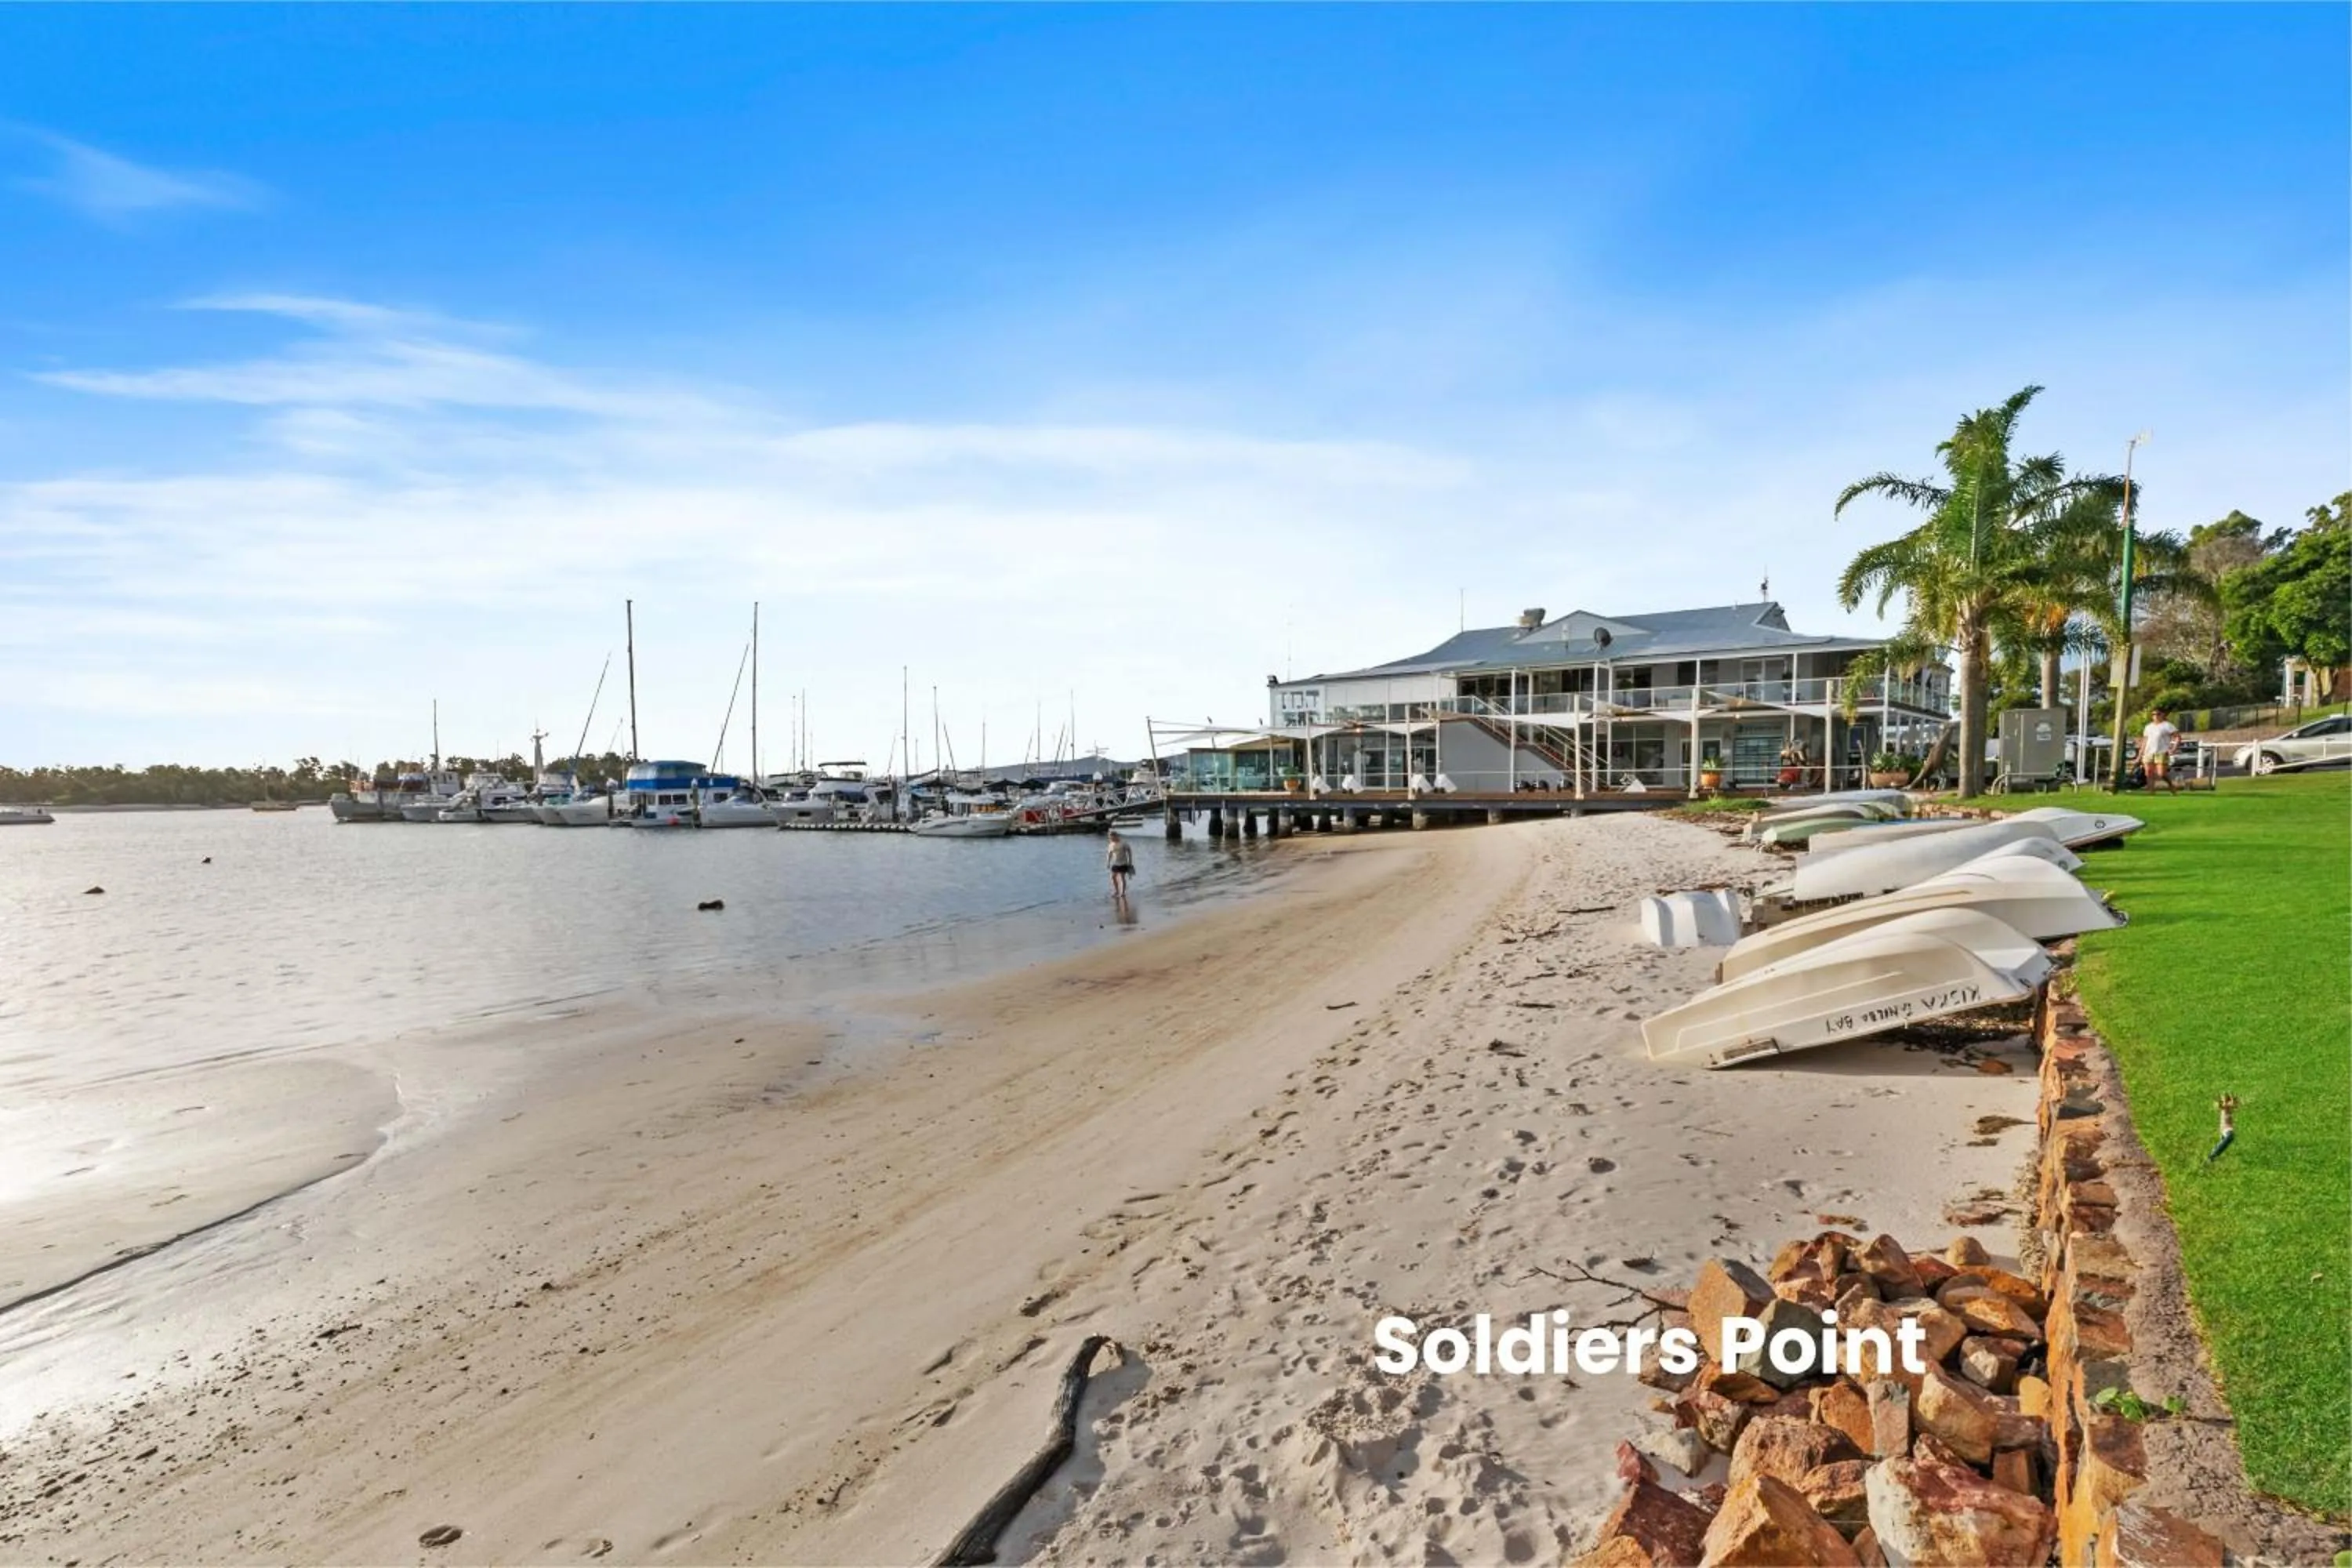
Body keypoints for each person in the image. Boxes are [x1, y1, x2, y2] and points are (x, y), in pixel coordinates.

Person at [2140, 708, 2181, 794]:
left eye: (2158, 714)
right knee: (2149, 772)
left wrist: (2173, 749)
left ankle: (2171, 786)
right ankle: (2151, 791)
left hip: (2162, 752)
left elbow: (2178, 737)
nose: (2155, 716)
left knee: (2161, 774)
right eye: (2153, 714)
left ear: (2163, 715)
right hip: (2148, 751)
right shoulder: (2148, 727)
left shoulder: (2167, 725)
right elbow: (2145, 740)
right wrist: (2140, 753)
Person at [1105, 830, 1134, 897]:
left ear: (1116, 836)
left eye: (1112, 837)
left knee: (1122, 877)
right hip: (1115, 863)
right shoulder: (1111, 845)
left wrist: (1130, 862)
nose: (1111, 839)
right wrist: (1108, 862)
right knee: (1113, 877)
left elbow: (1129, 851)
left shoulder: (1123, 843)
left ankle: (1123, 892)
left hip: (1123, 863)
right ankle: (1116, 891)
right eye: (1110, 838)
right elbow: (1109, 854)